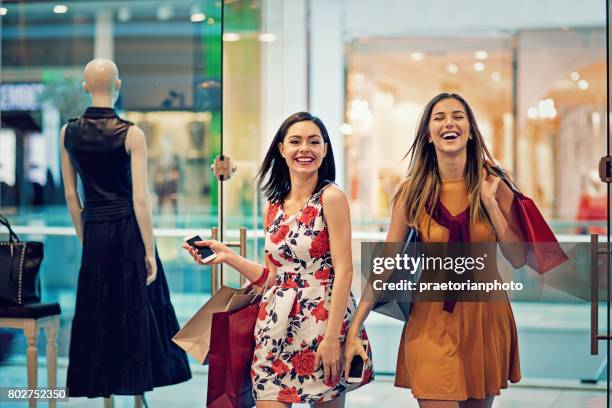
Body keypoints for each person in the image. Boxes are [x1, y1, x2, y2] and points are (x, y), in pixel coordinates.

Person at [345, 93, 525, 408]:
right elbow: (387, 261)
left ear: (470, 130)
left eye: (458, 116)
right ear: (429, 135)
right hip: (431, 320)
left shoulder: (495, 184)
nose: (449, 123)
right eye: (439, 117)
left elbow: (518, 257)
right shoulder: (413, 192)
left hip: (485, 318)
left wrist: (491, 206)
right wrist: (355, 325)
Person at [185, 112, 373, 407]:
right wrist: (228, 255)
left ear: (325, 150)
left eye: (314, 142)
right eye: (295, 141)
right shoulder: (272, 206)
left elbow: (344, 272)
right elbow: (273, 277)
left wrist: (333, 338)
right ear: (282, 149)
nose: (304, 149)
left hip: (322, 322)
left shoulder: (331, 198)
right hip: (275, 325)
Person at [61, 58, 191, 408]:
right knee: (134, 309)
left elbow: (72, 196)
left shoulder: (68, 132)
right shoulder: (132, 133)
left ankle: (108, 394)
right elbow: (140, 198)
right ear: (117, 86)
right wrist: (150, 251)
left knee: (99, 309)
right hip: (128, 233)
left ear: (86, 86)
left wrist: (84, 236)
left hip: (95, 232)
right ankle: (137, 393)